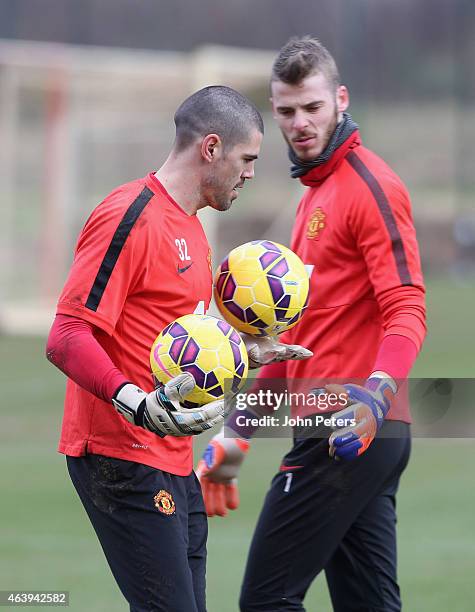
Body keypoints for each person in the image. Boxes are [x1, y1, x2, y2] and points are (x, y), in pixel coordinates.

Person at [46, 85, 311, 612]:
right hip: (119, 455)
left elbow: (180, 342)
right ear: (211, 148)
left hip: (173, 456)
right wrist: (137, 402)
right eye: (247, 158)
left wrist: (242, 353)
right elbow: (67, 335)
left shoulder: (191, 225)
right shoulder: (131, 215)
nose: (251, 172)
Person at [197, 37, 427, 611]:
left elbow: (408, 307)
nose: (300, 123)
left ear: (340, 100)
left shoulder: (370, 187)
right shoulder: (314, 197)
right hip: (347, 431)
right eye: (286, 111)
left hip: (347, 426)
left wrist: (375, 397)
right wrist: (235, 435)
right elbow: (296, 344)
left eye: (313, 107)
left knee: (266, 601)